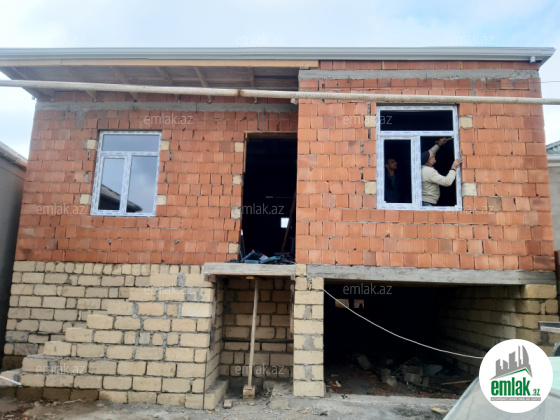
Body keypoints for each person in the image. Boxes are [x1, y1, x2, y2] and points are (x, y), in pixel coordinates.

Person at [421, 138, 463, 206]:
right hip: (427, 203)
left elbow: (430, 153)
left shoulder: (421, 167)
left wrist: (439, 144)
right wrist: (454, 168)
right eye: (433, 156)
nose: (434, 155)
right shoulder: (429, 171)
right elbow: (447, 182)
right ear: (430, 161)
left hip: (424, 202)